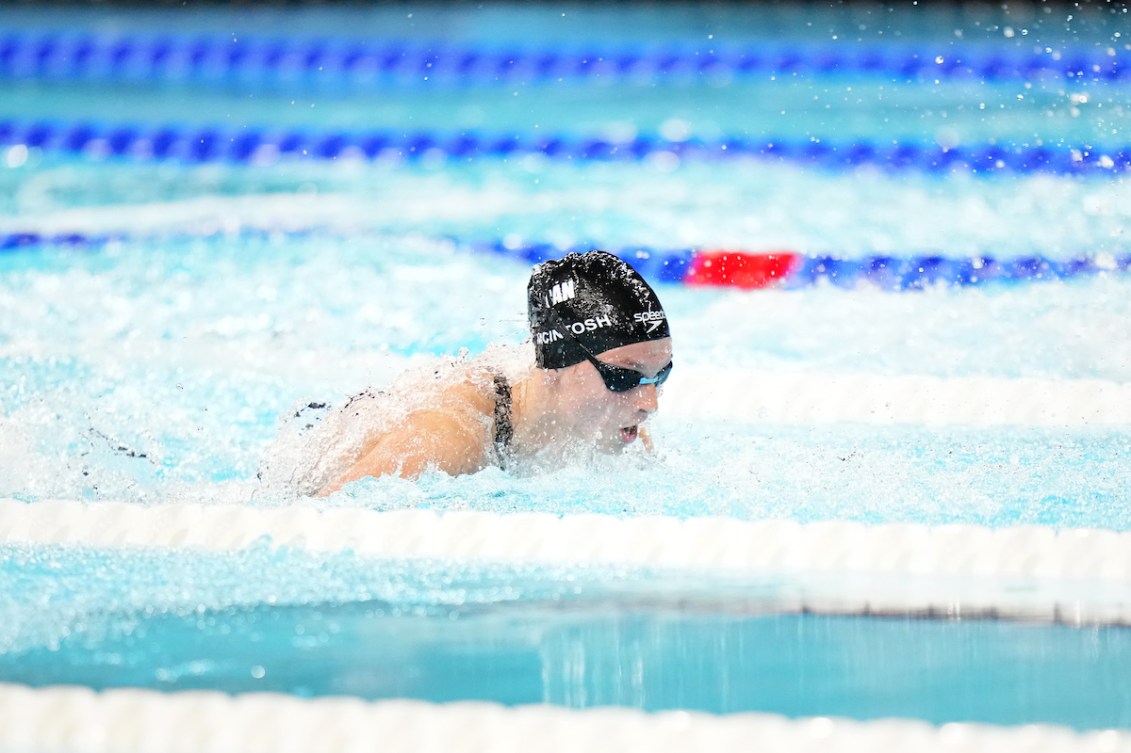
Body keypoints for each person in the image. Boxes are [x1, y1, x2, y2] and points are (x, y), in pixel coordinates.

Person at [267, 250, 673, 496]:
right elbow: (312, 520)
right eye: (625, 378)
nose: (649, 404)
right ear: (554, 363)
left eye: (660, 376)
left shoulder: (611, 428)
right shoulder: (448, 434)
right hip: (313, 444)